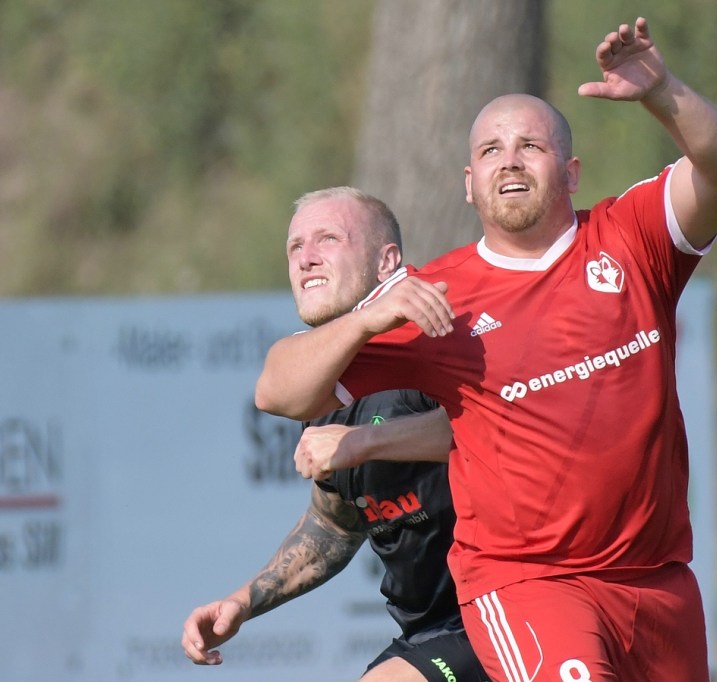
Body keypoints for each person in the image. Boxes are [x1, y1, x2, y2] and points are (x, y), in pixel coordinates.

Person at [256, 17, 717, 682]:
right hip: (530, 585)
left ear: (570, 172)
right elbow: (279, 391)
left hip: (658, 582)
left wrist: (663, 92)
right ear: (469, 183)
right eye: (491, 150)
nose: (510, 159)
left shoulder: (631, 239)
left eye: (530, 146)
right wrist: (365, 321)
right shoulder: (439, 299)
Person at [182, 187, 488, 682]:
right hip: (429, 631)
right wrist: (242, 602)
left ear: (386, 261)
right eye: (294, 246)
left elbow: (495, 429)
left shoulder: (436, 334)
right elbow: (336, 526)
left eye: (328, 239)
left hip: (505, 608)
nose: (306, 258)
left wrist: (363, 442)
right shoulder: (325, 382)